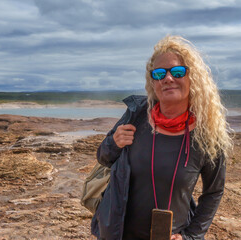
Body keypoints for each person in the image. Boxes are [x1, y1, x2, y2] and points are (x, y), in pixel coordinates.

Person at [91, 35, 233, 240]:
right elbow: (104, 158)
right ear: (153, 82)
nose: (168, 78)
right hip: (117, 233)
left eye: (177, 72)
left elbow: (213, 192)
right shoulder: (136, 116)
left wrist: (191, 236)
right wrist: (113, 144)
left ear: (193, 78)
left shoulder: (208, 135)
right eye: (159, 74)